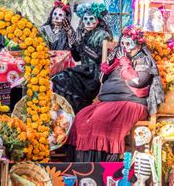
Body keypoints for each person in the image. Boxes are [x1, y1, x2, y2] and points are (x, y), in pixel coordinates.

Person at [66, 26, 164, 162]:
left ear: (138, 44)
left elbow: (137, 82)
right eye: (123, 43)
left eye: (129, 44)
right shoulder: (118, 58)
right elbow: (102, 80)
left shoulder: (143, 60)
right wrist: (108, 68)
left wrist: (125, 64)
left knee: (96, 122)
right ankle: (81, 167)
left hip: (130, 103)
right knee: (80, 118)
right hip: (107, 101)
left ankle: (101, 165)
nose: (125, 47)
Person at [51, 2, 112, 113]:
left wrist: (82, 45)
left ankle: (77, 110)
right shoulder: (83, 33)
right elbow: (77, 58)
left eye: (91, 19)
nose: (88, 22)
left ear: (98, 20)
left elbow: (99, 58)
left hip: (94, 74)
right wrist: (71, 37)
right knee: (58, 78)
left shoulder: (102, 35)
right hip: (84, 71)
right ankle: (68, 111)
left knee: (62, 78)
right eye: (85, 19)